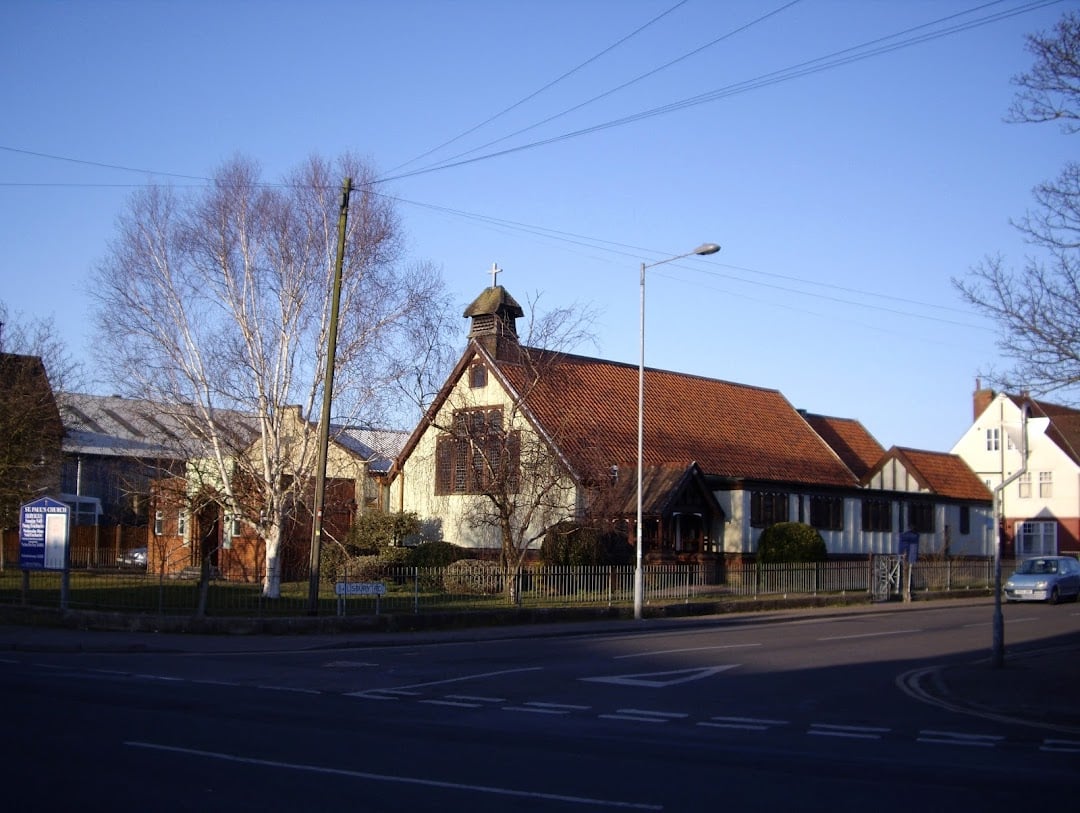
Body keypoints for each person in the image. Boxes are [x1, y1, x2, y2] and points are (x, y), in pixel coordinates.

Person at [898, 525, 919, 601]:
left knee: (906, 575)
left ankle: (906, 593)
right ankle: (906, 593)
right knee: (906, 575)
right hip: (907, 558)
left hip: (906, 558)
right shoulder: (914, 537)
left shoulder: (905, 537)